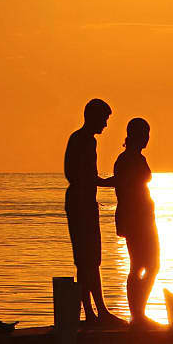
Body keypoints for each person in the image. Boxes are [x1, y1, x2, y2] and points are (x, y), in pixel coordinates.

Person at [64, 98, 120, 325]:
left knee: (89, 260)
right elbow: (77, 175)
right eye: (104, 119)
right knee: (87, 260)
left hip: (84, 202)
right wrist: (110, 183)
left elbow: (85, 176)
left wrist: (103, 183)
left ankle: (91, 313)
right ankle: (96, 313)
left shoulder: (85, 140)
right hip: (81, 204)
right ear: (94, 117)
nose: (106, 125)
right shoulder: (82, 140)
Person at [113, 117, 159, 329]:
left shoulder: (139, 158)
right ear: (134, 136)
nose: (147, 138)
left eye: (148, 134)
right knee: (138, 265)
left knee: (152, 265)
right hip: (135, 220)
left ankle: (140, 312)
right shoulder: (125, 160)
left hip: (146, 219)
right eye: (144, 134)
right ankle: (137, 315)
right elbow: (123, 188)